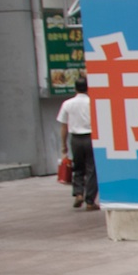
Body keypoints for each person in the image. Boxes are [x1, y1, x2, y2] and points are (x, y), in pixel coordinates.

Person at [57, 76, 98, 209]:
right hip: (91, 137)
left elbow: (64, 126)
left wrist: (63, 145)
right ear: (88, 88)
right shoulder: (93, 102)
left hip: (75, 139)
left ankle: (78, 193)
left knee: (78, 167)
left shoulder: (67, 104)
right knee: (92, 169)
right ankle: (90, 201)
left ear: (75, 88)